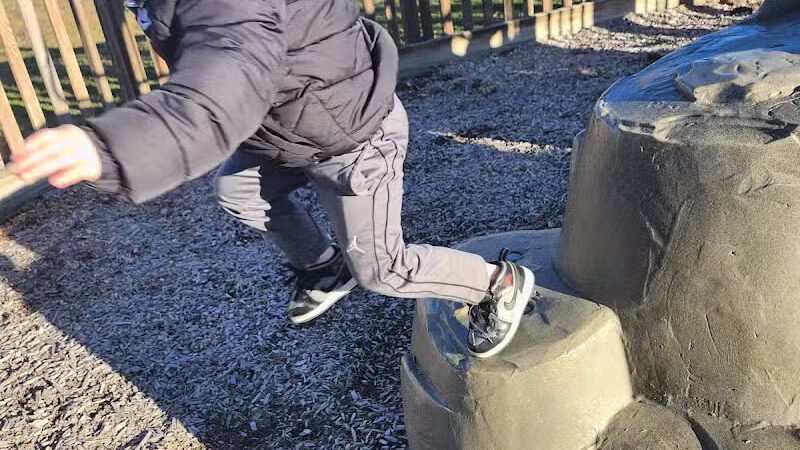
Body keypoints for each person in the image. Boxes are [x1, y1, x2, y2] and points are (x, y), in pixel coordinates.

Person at [9, 0, 536, 358]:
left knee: (382, 269)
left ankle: (495, 284)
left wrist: (111, 147)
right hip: (293, 128)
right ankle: (326, 269)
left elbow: (222, 85)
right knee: (238, 189)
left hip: (351, 138)